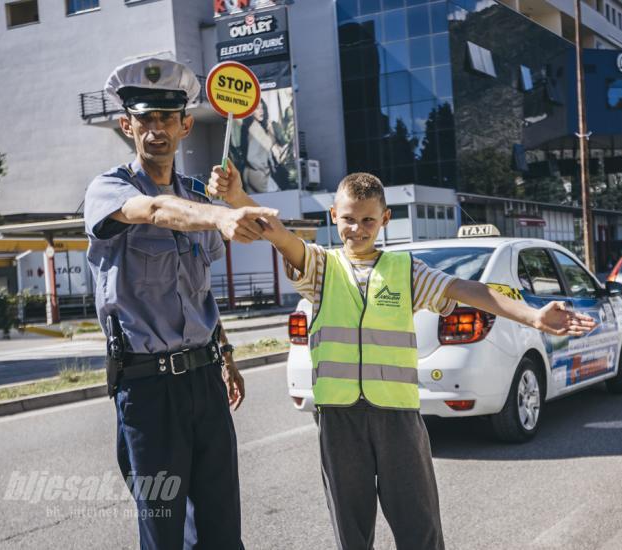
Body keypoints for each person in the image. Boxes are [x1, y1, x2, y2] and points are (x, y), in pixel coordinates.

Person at [208, 167, 596, 550]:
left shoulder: (405, 271)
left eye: (367, 220)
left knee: (419, 529)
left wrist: (534, 315)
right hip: (339, 418)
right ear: (333, 216)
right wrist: (237, 199)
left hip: (397, 418)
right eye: (348, 219)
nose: (357, 229)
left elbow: (465, 289)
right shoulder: (321, 268)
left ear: (385, 220)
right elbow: (277, 235)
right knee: (351, 532)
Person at [83, 57, 277, 550]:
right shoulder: (110, 189)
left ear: (186, 125)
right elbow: (152, 209)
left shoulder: (197, 194)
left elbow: (201, 291)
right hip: (148, 391)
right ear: (126, 125)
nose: (155, 131)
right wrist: (216, 216)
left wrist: (227, 357)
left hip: (204, 382)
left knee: (220, 531)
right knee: (165, 532)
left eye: (166, 119)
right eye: (144, 119)